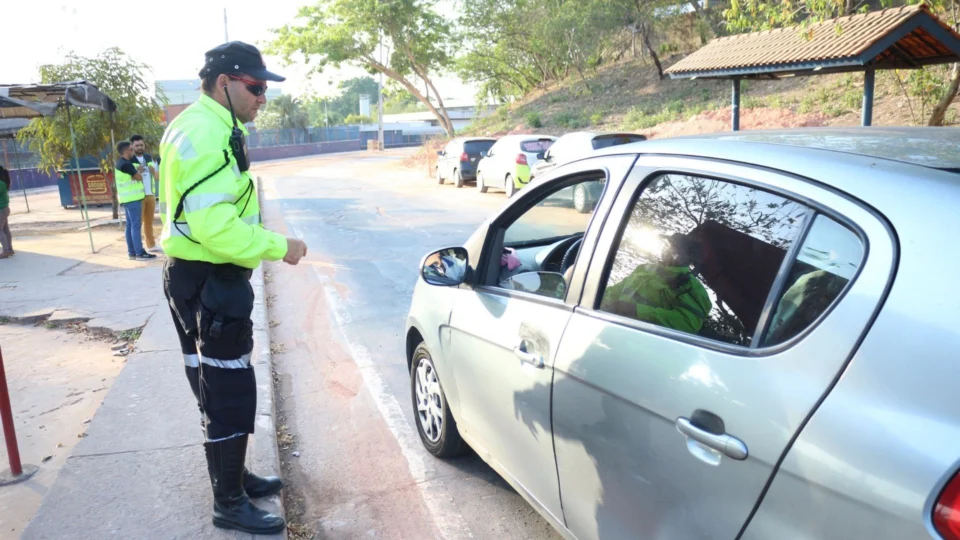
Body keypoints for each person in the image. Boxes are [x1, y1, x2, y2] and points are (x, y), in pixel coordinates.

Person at [158, 41, 307, 535]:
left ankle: (234, 476)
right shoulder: (208, 134)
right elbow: (214, 227)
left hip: (189, 275)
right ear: (225, 82)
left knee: (210, 383)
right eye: (256, 86)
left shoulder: (199, 123)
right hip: (211, 278)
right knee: (230, 390)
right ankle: (228, 502)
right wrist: (277, 244)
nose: (262, 97)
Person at [600, 232, 712, 334]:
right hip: (610, 328)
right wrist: (601, 301)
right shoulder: (644, 268)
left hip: (642, 344)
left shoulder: (692, 287)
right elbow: (614, 291)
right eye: (667, 245)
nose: (667, 250)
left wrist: (636, 310)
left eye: (674, 248)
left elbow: (688, 323)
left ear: (686, 257)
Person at [115, 142, 156, 261]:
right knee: (136, 226)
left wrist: (136, 171)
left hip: (127, 199)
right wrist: (137, 172)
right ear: (127, 150)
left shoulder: (121, 163)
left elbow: (136, 174)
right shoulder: (126, 165)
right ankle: (139, 253)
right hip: (133, 199)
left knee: (130, 226)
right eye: (131, 149)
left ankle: (132, 252)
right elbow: (140, 177)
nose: (133, 152)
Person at [129, 134, 162, 253]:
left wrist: (155, 170)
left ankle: (151, 245)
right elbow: (128, 176)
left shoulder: (148, 157)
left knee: (149, 221)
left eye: (141, 145)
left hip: (150, 195)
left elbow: (157, 177)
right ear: (132, 146)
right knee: (137, 223)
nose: (139, 147)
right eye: (137, 145)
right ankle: (137, 248)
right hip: (138, 195)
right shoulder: (129, 159)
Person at [0, 166, 12, 259]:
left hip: (1, 209)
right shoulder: (3, 183)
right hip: (5, 209)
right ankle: (9, 249)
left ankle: (6, 251)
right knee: (5, 229)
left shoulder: (0, 183)